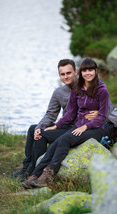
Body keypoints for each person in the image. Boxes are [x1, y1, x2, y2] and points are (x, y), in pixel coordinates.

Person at [22, 57, 109, 188]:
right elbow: (70, 113)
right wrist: (56, 126)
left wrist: (85, 126)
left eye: (90, 70)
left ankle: (49, 175)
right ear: (80, 73)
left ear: (96, 71)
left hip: (95, 129)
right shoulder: (77, 90)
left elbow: (103, 115)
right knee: (54, 143)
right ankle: (34, 174)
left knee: (64, 140)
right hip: (78, 127)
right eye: (85, 71)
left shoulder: (102, 90)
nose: (87, 73)